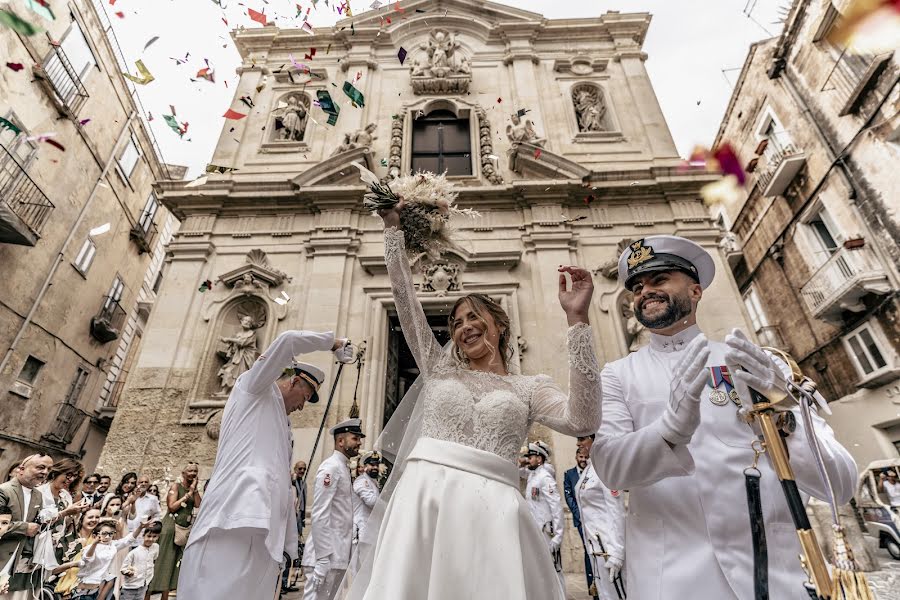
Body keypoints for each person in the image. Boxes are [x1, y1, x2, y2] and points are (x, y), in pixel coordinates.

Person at [342, 205, 602, 600]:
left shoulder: (530, 387)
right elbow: (405, 304)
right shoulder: (438, 370)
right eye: (457, 322)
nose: (465, 326)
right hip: (425, 500)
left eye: (474, 316)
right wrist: (392, 231)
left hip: (494, 510)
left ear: (498, 324)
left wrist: (578, 320)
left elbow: (583, 420)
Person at [591, 235, 858, 600]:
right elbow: (610, 467)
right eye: (637, 287)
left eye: (659, 280)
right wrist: (669, 430)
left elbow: (839, 486)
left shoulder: (759, 364)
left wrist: (787, 415)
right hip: (672, 579)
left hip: (772, 576)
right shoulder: (617, 375)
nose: (645, 291)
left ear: (696, 291)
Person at [178, 329, 354, 600]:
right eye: (305, 398)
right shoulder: (254, 388)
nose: (302, 407)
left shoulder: (285, 426)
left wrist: (287, 535)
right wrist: (333, 343)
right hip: (231, 518)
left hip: (264, 530)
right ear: (294, 382)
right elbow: (288, 340)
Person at [302, 419, 365, 600]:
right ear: (340, 441)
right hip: (325, 558)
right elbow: (319, 514)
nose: (359, 443)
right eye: (355, 438)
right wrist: (322, 558)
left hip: (337, 556)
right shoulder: (331, 468)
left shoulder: (342, 467)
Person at [575, 435, 625, 600]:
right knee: (604, 595)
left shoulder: (604, 468)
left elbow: (616, 510)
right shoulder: (590, 468)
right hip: (595, 547)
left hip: (608, 546)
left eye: (582, 439)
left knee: (617, 595)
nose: (578, 443)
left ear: (594, 439)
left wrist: (617, 551)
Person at [0, 452, 53, 598]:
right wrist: (25, 528)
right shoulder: (4, 490)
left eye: (49, 469)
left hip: (14, 560)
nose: (45, 472)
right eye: (41, 467)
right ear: (21, 469)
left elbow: (34, 524)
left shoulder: (38, 495)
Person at [149, 463, 201, 600]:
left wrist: (194, 490)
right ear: (183, 472)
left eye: (195, 471)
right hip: (170, 528)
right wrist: (187, 495)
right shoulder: (175, 487)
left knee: (173, 565)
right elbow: (172, 507)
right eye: (190, 470)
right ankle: (147, 594)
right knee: (162, 562)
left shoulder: (192, 489)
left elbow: (198, 505)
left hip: (182, 532)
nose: (193, 473)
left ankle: (165, 597)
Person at [524, 443, 566, 597]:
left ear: (540, 458)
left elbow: (556, 506)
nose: (529, 459)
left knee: (555, 569)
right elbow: (517, 470)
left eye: (531, 456)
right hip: (537, 530)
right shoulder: (533, 475)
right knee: (542, 569)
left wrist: (558, 536)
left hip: (547, 532)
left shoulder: (545, 477)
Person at [74, 519, 146, 599]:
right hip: (85, 588)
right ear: (95, 536)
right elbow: (87, 559)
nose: (108, 537)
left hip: (100, 585)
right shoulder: (89, 548)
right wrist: (94, 543)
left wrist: (140, 527)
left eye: (111, 534)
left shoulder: (112, 546)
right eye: (104, 534)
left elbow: (128, 540)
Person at [564, 442, 596, 599]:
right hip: (581, 521)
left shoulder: (593, 472)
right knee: (588, 551)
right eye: (580, 456)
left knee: (596, 551)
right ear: (576, 457)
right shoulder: (569, 474)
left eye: (585, 456)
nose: (583, 459)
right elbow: (569, 498)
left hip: (595, 520)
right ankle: (592, 585)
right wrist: (580, 516)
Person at [350, 452, 380, 571]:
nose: (375, 468)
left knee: (370, 570)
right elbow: (372, 502)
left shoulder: (374, 482)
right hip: (362, 533)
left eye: (377, 465)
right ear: (365, 466)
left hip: (371, 533)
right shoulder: (361, 482)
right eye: (372, 465)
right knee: (362, 571)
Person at [120, 520, 161, 600]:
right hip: (130, 587)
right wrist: (129, 572)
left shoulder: (156, 547)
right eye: (149, 536)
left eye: (154, 536)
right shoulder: (134, 552)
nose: (151, 539)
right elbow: (123, 569)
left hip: (143, 585)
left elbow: (153, 559)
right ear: (143, 535)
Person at [124, 474, 161, 543]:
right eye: (141, 482)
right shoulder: (130, 496)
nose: (143, 484)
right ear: (137, 484)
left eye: (146, 482)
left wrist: (151, 526)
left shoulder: (153, 499)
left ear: (148, 484)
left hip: (141, 534)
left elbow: (157, 515)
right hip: (126, 532)